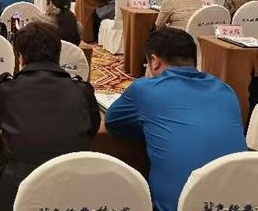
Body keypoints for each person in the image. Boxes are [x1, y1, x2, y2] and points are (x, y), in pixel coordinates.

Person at [105, 28, 246, 211]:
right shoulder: (226, 91)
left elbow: (112, 123)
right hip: (240, 202)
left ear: (154, 62)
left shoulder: (145, 89)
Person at [0, 22, 100, 211]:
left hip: (18, 189)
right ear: (58, 54)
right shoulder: (82, 91)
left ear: (21, 57)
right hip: (73, 189)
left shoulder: (7, 90)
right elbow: (93, 129)